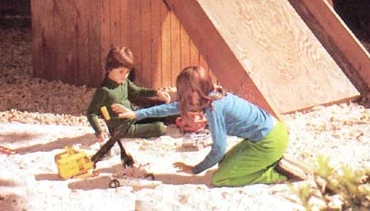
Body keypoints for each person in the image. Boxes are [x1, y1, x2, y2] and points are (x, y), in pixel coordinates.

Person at [113, 65, 305, 186]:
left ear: (195, 92)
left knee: (220, 178)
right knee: (223, 165)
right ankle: (275, 161)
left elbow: (219, 149)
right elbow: (171, 108)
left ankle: (275, 174)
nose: (182, 97)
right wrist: (136, 114)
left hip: (269, 141)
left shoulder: (214, 109)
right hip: (272, 132)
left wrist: (195, 169)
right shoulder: (212, 96)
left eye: (184, 92)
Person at [86, 46, 171, 141]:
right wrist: (99, 131)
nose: (125, 76)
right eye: (121, 72)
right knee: (160, 128)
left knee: (162, 114)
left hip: (132, 114)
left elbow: (138, 91)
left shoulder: (124, 82)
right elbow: (91, 113)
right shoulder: (104, 90)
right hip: (123, 128)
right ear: (109, 69)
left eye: (127, 72)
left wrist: (157, 93)